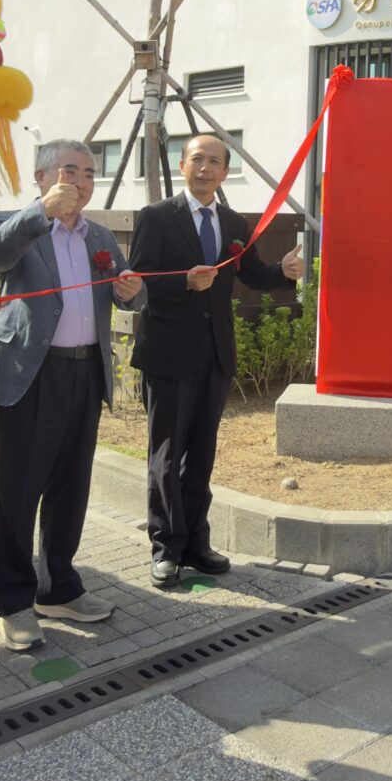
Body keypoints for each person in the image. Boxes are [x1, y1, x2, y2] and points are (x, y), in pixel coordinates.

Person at [0, 139, 143, 650]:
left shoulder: (99, 235)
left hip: (85, 372)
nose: (81, 182)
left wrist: (132, 291)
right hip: (29, 374)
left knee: (71, 485)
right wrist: (40, 214)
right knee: (17, 491)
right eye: (70, 171)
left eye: (89, 173)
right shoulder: (12, 222)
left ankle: (58, 586)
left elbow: (128, 291)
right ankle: (13, 602)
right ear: (42, 178)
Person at [126, 133, 305, 590]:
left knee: (202, 453)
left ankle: (195, 544)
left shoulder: (232, 222)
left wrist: (283, 273)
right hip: (168, 353)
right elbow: (139, 281)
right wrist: (184, 283)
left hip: (215, 353)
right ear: (182, 166)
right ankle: (166, 548)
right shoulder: (155, 216)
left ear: (225, 172)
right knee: (167, 455)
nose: (205, 168)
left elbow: (251, 273)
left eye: (214, 162)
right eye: (197, 159)